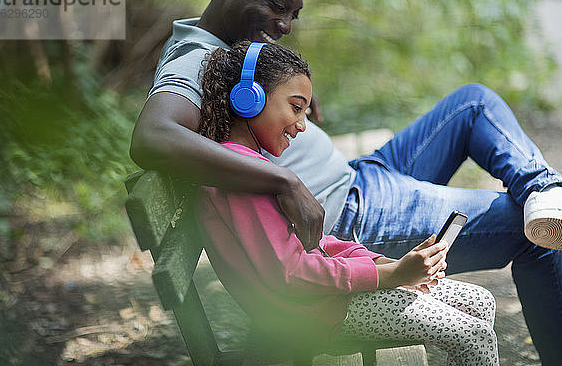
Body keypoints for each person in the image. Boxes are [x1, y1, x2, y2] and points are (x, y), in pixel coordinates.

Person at [129, 0, 562, 363]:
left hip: (358, 181)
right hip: (347, 213)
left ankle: (545, 187)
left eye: (292, 15)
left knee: (473, 104)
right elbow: (153, 136)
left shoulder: (231, 53)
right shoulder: (192, 59)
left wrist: (283, 88)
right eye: (277, 6)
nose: (284, 25)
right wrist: (286, 180)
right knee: (535, 232)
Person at [196, 40, 499, 365]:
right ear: (249, 98)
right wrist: (392, 275)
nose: (302, 125)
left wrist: (383, 262)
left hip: (329, 298)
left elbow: (317, 246)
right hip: (315, 313)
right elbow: (291, 274)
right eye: (296, 108)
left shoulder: (250, 166)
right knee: (473, 334)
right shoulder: (238, 175)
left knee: (480, 301)